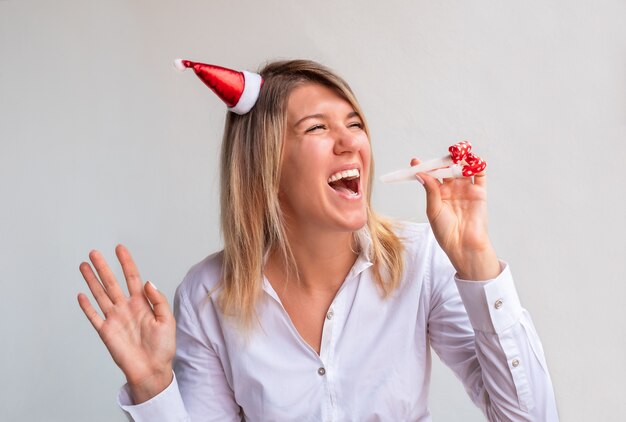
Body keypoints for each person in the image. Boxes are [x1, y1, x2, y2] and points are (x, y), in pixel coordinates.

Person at [77, 59, 558, 421]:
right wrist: (152, 385)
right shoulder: (207, 296)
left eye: (354, 124)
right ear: (267, 165)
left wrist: (476, 259)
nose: (351, 141)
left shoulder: (420, 262)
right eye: (318, 128)